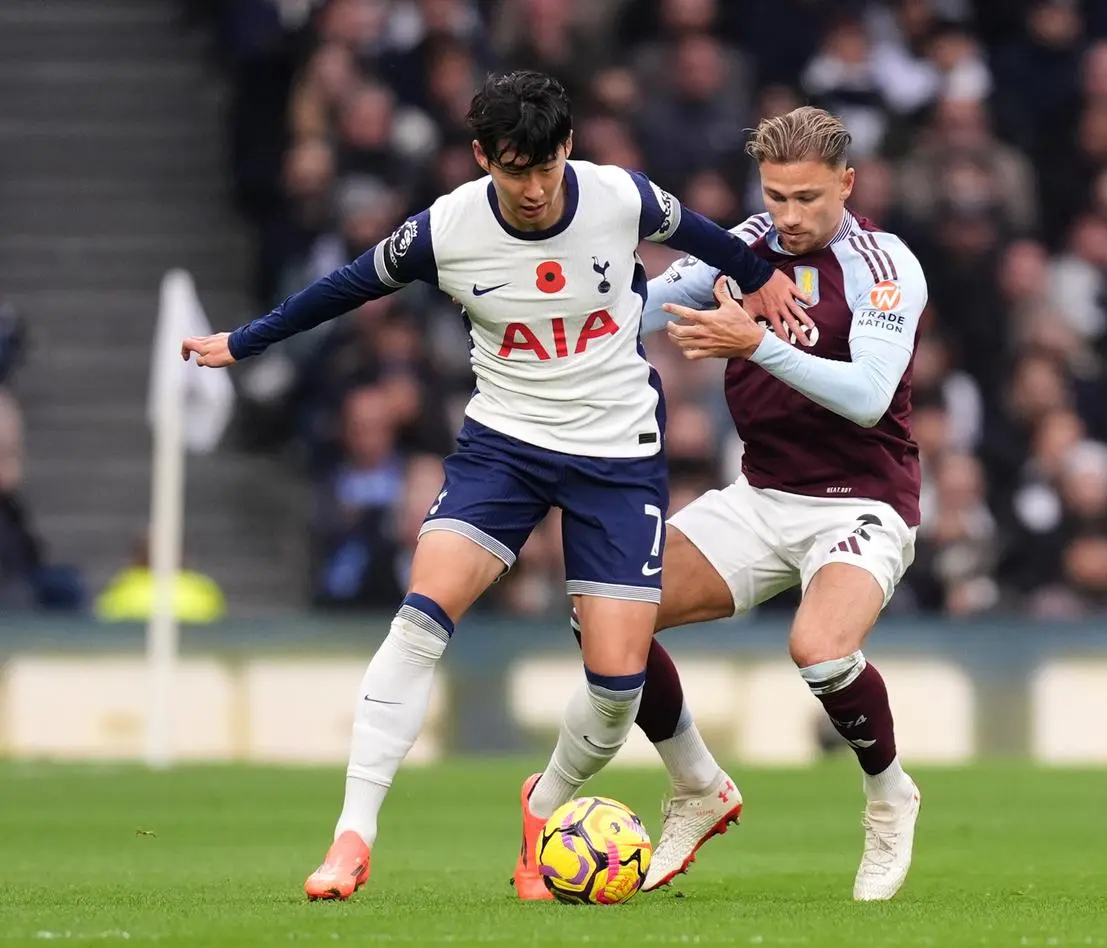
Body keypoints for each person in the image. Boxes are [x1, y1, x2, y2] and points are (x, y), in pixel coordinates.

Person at [180, 71, 809, 902]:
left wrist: (762, 278)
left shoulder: (622, 199)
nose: (537, 187)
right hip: (504, 448)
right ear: (483, 158)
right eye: (517, 169)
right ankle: (351, 840)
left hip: (618, 454)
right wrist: (247, 341)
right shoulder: (446, 228)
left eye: (548, 166)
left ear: (568, 150)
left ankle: (543, 808)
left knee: (618, 684)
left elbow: (712, 239)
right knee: (421, 616)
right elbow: (342, 286)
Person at [588, 106, 928, 901]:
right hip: (763, 497)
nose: (789, 216)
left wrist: (756, 345)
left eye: (808, 197)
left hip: (863, 503)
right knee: (606, 613)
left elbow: (871, 397)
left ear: (848, 183)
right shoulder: (737, 248)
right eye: (776, 197)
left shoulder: (884, 265)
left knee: (820, 649)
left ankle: (888, 796)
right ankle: (699, 786)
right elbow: (633, 318)